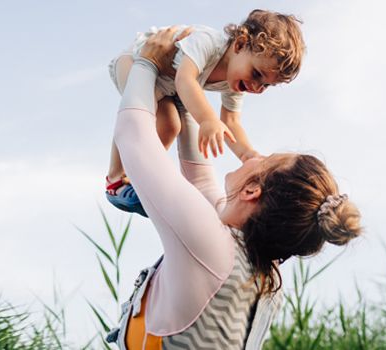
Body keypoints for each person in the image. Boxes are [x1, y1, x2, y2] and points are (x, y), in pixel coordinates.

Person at [105, 27, 361, 349]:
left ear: (253, 192)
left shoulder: (211, 248)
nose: (251, 156)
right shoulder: (260, 272)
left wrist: (146, 64)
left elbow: (134, 137)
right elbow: (200, 180)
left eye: (263, 160)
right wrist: (185, 99)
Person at [105, 9, 306, 216]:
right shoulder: (208, 42)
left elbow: (231, 121)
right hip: (136, 59)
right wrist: (208, 120)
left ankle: (138, 178)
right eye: (256, 74)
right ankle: (116, 178)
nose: (256, 87)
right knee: (147, 118)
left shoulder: (236, 82)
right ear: (240, 44)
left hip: (163, 82)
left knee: (171, 126)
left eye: (265, 85)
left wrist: (248, 154)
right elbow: (185, 80)